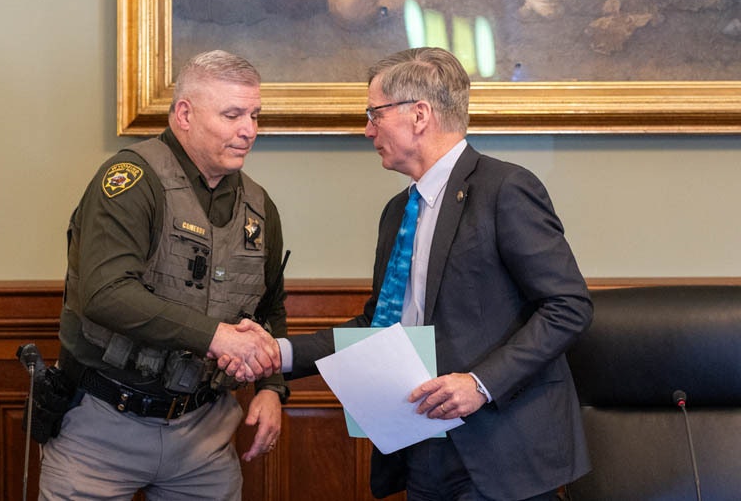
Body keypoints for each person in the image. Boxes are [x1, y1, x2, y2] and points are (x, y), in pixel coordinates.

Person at [226, 47, 593, 500]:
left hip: (501, 449)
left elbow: (568, 306)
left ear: (419, 115)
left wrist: (480, 384)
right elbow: (379, 328)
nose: (367, 130)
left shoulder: (505, 190)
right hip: (422, 447)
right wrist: (275, 353)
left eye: (374, 114)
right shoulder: (398, 211)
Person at [38, 49, 288, 501]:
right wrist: (218, 337)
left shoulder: (258, 205)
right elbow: (104, 294)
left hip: (204, 433)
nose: (249, 130)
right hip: (102, 425)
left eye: (254, 115)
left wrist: (271, 387)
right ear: (185, 114)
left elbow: (269, 307)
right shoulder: (132, 180)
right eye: (232, 115)